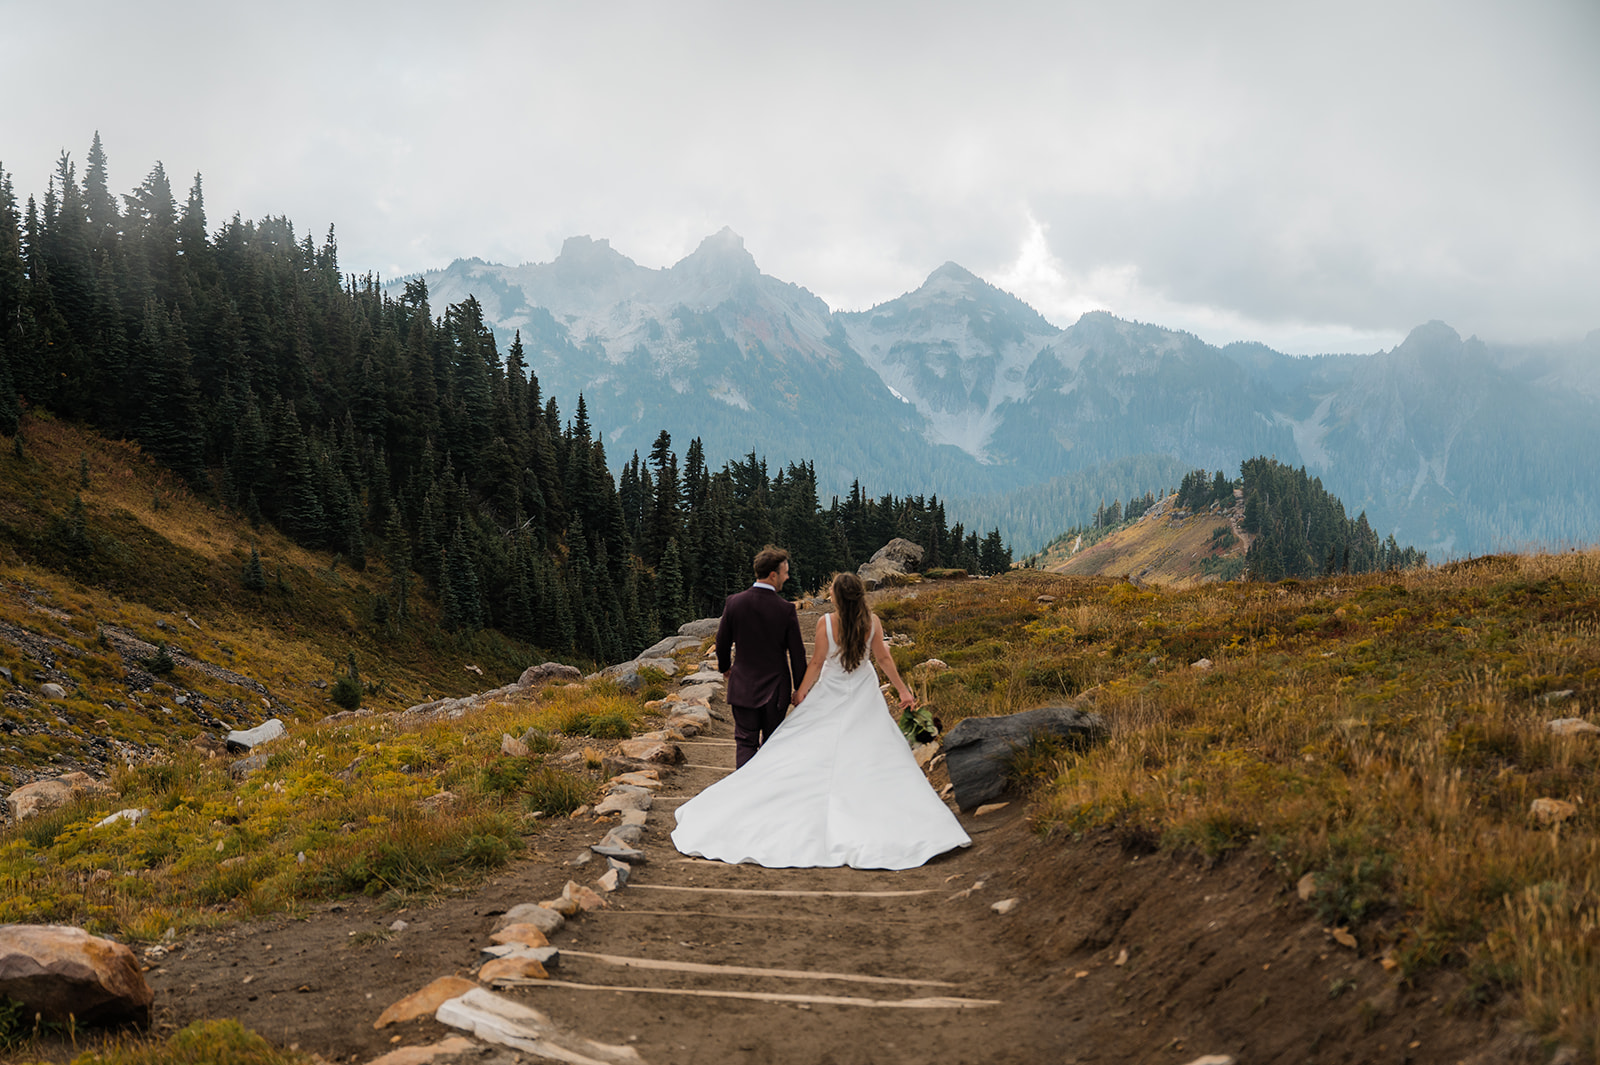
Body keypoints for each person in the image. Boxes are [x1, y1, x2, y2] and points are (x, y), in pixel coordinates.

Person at [672, 571, 971, 870]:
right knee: (873, 746)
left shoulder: (826, 623)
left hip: (831, 690)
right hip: (863, 690)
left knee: (808, 742)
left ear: (836, 597)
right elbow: (883, 659)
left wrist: (801, 692)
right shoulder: (873, 622)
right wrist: (903, 691)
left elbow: (816, 663)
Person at [715, 545, 808, 769]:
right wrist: (800, 689)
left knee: (745, 742)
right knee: (771, 744)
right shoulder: (785, 609)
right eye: (785, 572)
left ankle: (743, 785)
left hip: (742, 686)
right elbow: (797, 654)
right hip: (775, 691)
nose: (787, 577)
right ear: (773, 575)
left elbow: (722, 642)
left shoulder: (734, 602)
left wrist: (725, 667)